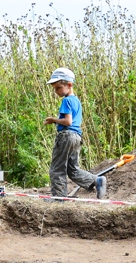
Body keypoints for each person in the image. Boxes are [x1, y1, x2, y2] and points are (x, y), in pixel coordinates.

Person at [43, 67, 107, 199]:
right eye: (55, 89)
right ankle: (96, 180)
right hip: (76, 137)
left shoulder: (66, 101)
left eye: (58, 88)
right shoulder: (77, 101)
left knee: (57, 169)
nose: (56, 91)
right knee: (72, 169)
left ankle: (59, 199)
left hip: (66, 136)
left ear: (69, 84)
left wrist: (53, 120)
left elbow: (68, 121)